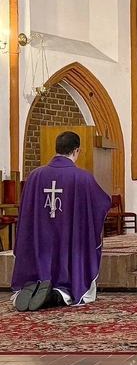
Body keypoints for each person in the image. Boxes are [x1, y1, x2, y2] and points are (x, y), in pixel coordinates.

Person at [10, 131, 111, 312]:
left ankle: (34, 285)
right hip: (69, 239)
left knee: (42, 257)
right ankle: (57, 294)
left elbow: (25, 211)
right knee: (69, 286)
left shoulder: (34, 176)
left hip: (40, 238)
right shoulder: (83, 178)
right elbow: (102, 203)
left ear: (56, 148)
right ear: (76, 151)